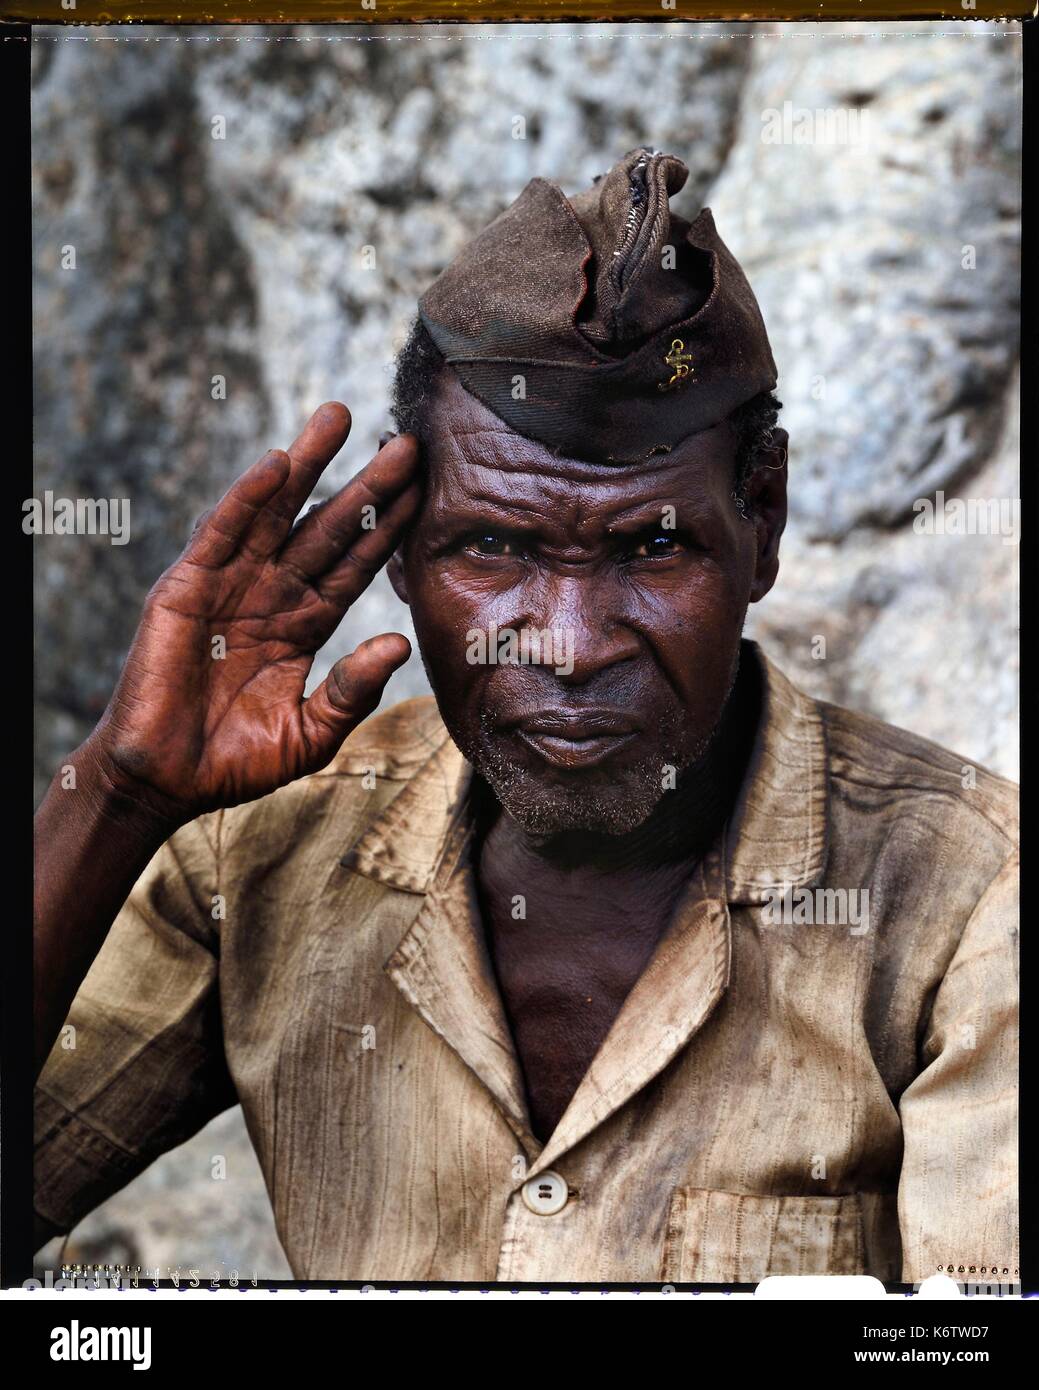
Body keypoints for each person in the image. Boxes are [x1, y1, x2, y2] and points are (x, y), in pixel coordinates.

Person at [34, 148, 1018, 1284]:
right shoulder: (259, 842)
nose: (569, 639)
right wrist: (121, 791)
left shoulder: (971, 899)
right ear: (400, 548)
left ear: (762, 518)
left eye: (652, 545)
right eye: (492, 546)